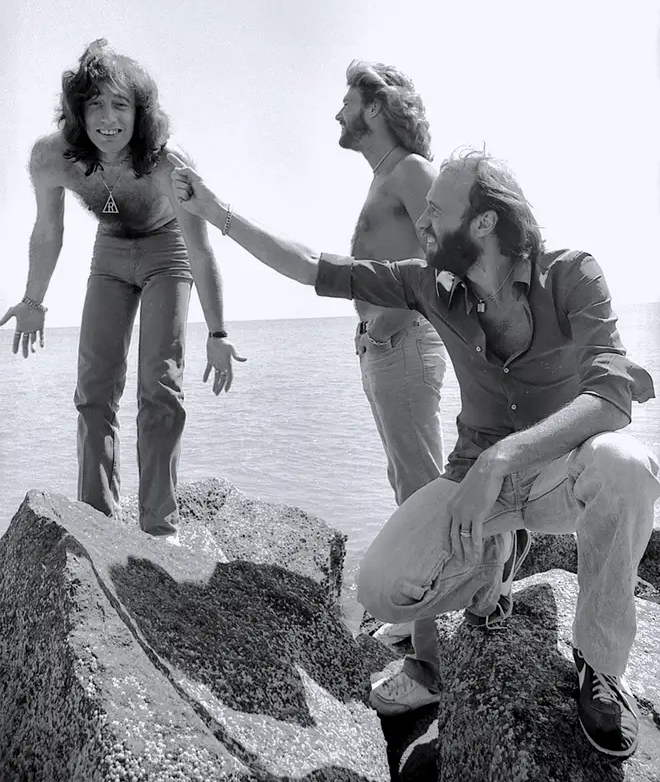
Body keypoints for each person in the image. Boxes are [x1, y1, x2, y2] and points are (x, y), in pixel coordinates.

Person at [167, 146, 657, 758]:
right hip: (481, 487)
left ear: (483, 223)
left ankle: (601, 668)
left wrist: (499, 460)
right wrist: (216, 210)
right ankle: (494, 561)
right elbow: (315, 266)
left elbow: (612, 396)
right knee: (378, 589)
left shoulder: (572, 273)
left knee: (628, 467)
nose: (422, 222)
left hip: (559, 475)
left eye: (436, 211)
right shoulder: (427, 284)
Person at [0, 39, 245, 541]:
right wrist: (32, 301)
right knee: (93, 390)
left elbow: (200, 250)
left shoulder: (166, 164)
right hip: (109, 253)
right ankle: (97, 519)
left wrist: (218, 333)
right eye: (95, 104)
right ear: (77, 111)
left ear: (140, 113)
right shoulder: (53, 157)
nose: (108, 119)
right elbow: (49, 231)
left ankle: (159, 525)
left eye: (121, 105)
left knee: (160, 386)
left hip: (168, 253)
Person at [336, 61, 446, 645]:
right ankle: (418, 621)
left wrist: (395, 320)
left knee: (420, 493)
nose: (338, 112)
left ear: (375, 106)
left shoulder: (408, 170)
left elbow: (450, 254)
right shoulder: (385, 175)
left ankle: (428, 661)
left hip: (403, 344)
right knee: (408, 485)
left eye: (347, 100)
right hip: (383, 346)